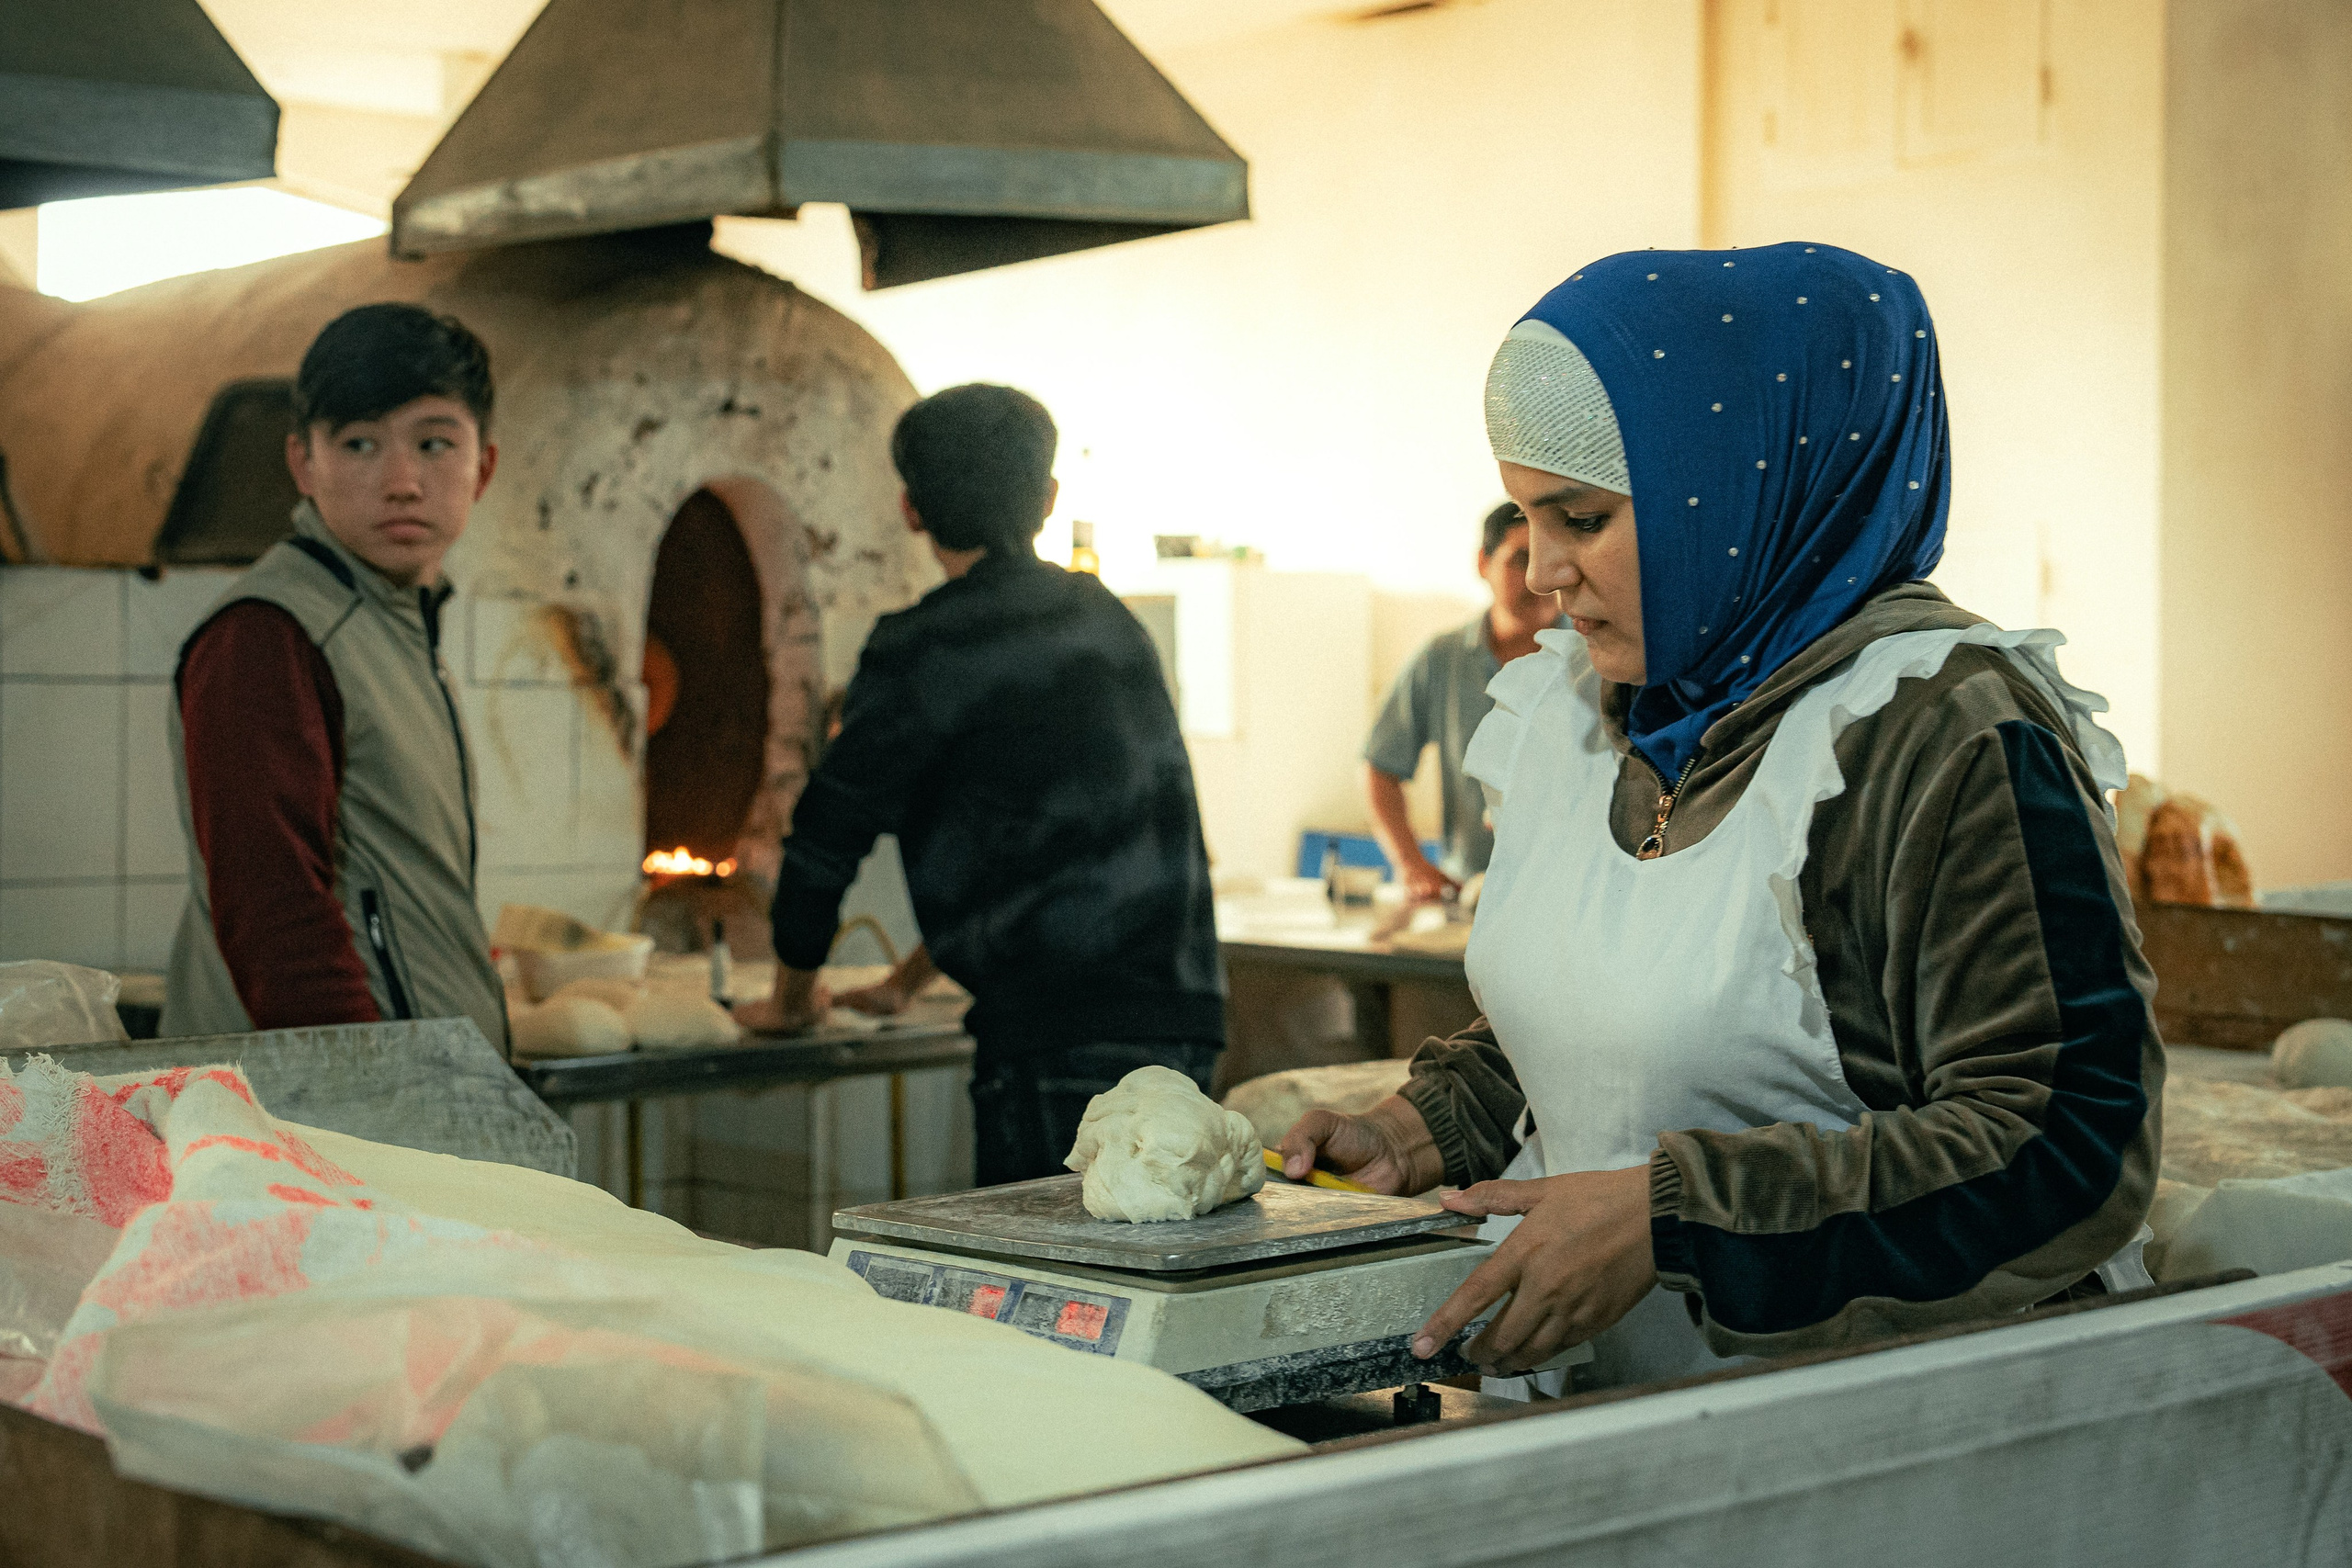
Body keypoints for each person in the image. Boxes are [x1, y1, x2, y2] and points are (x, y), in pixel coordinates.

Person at [1280, 243, 2163, 1389]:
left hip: (1883, 1434)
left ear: (1739, 489)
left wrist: (1677, 1221)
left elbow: (2063, 1145)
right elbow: (1615, 1014)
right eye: (1525, 517)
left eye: (1583, 518)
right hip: (1623, 1413)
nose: (1542, 571)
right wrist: (1423, 1127)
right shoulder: (1587, 714)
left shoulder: (1936, 733)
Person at [736, 383, 1225, 1185]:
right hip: (1184, 1022)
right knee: (1143, 1284)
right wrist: (904, 982)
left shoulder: (923, 649)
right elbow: (1047, 843)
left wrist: (791, 998)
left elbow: (827, 834)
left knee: (1044, 1296)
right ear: (1048, 498)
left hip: (1053, 1043)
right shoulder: (1108, 622)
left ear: (910, 510)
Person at [162, 304, 508, 1055]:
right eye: (359, 443)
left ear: (482, 467)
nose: (402, 481)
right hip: (311, 1124)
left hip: (400, 1108)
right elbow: (276, 911)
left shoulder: (396, 626)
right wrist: (376, 1098)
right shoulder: (269, 634)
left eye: (434, 443)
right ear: (303, 464)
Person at [1362, 502, 1558, 901]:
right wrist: (1410, 864)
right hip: (1472, 897)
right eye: (1520, 560)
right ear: (1483, 563)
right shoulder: (1441, 660)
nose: (1540, 578)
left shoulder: (1599, 659)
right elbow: (1380, 767)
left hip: (1572, 898)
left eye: (1550, 558)